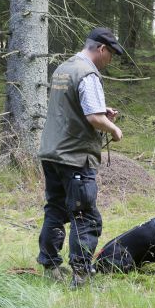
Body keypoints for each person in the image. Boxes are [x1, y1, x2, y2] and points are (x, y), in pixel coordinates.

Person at [37, 27, 124, 289]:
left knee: (55, 209)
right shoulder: (88, 74)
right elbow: (92, 118)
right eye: (111, 54)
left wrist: (101, 109)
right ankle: (82, 276)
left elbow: (68, 105)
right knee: (85, 217)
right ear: (101, 49)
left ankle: (50, 266)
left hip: (52, 152)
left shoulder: (64, 68)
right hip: (75, 157)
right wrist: (114, 129)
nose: (110, 61)